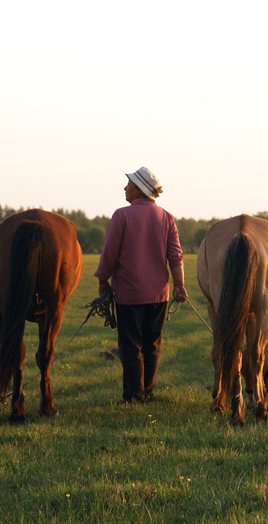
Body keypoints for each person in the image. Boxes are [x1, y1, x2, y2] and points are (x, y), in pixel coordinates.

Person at [95, 166, 188, 403]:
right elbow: (176, 256)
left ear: (139, 190)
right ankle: (147, 391)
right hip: (159, 295)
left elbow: (109, 253)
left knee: (130, 345)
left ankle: (134, 396)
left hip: (129, 294)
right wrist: (179, 285)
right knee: (152, 343)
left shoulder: (121, 216)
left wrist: (103, 279)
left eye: (129, 184)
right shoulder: (167, 218)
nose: (125, 188)